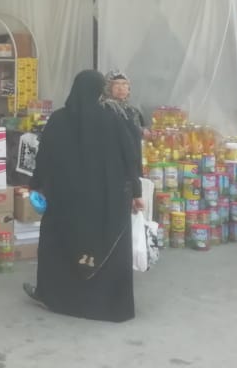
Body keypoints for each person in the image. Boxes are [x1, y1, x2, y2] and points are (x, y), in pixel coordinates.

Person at [23, 70, 144, 323]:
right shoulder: (114, 119)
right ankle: (111, 306)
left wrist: (35, 185)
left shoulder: (59, 120)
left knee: (57, 244)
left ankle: (54, 296)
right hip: (107, 199)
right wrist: (136, 192)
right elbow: (130, 157)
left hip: (66, 199)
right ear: (101, 91)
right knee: (108, 247)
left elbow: (44, 157)